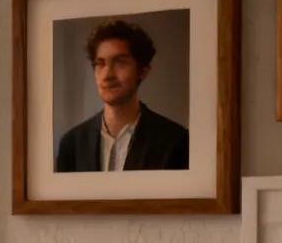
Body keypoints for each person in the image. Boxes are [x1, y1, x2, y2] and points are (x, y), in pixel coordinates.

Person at [54, 18, 189, 173]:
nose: (107, 75)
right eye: (101, 63)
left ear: (143, 71)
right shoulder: (71, 144)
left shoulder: (174, 140)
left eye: (120, 62)